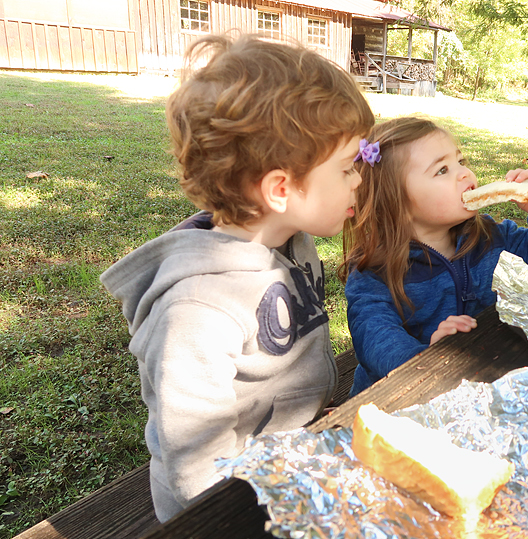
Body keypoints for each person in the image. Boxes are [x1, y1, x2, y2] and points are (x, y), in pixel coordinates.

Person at [100, 34, 373, 522]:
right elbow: (197, 471)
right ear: (281, 188)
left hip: (292, 460)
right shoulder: (198, 309)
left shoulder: (291, 239)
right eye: (348, 168)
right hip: (233, 507)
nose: (359, 180)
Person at [340, 117, 528, 397]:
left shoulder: (489, 236)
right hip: (400, 402)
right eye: (442, 170)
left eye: (460, 161)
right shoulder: (374, 272)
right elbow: (376, 340)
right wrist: (427, 356)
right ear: (396, 203)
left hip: (481, 380)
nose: (465, 173)